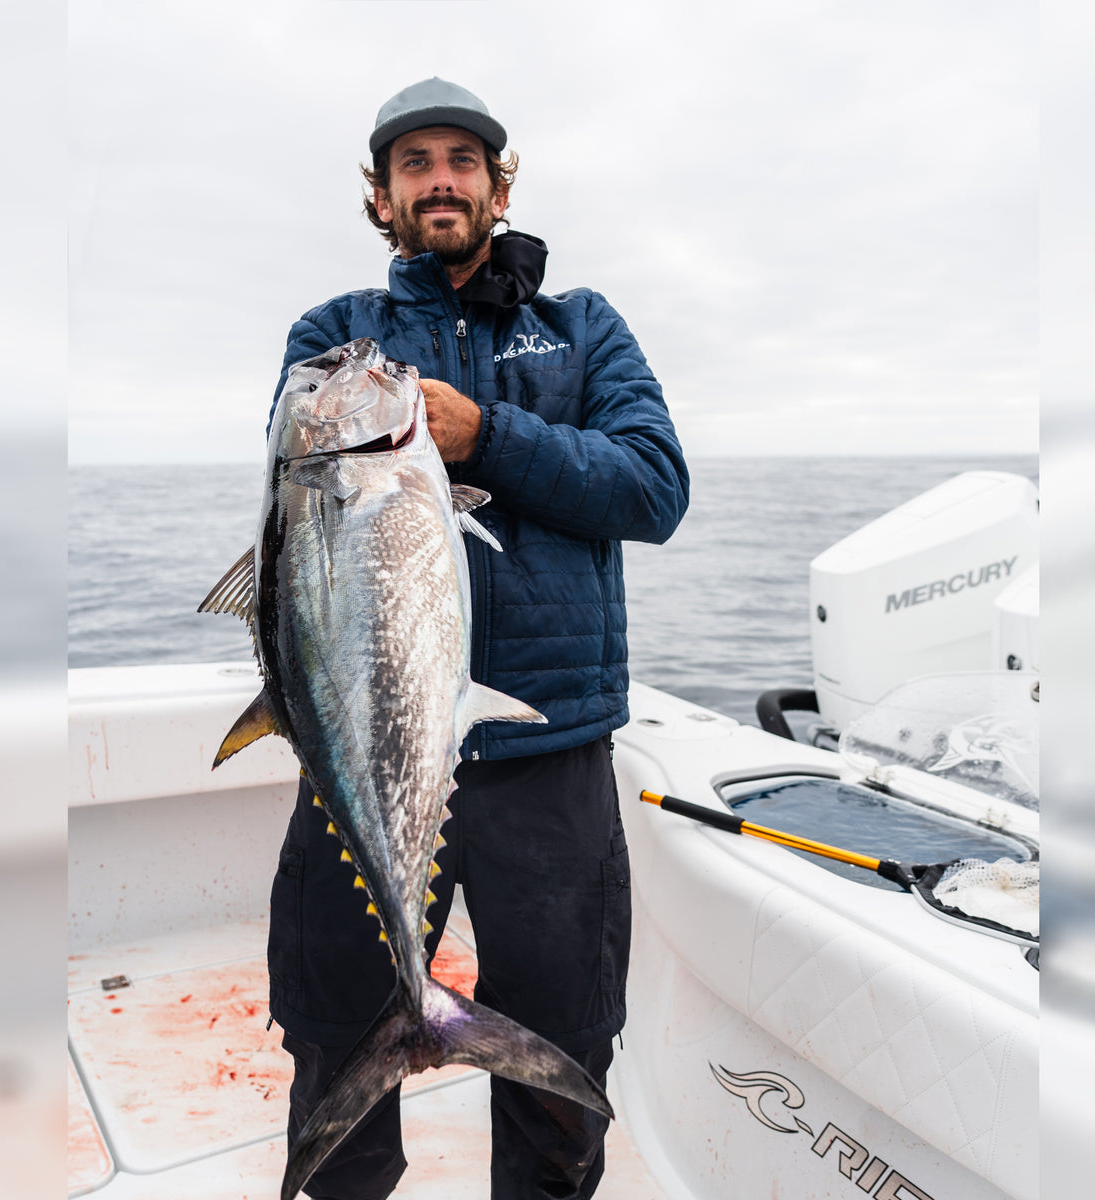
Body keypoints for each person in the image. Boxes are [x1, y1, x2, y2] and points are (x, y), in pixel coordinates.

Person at [265, 77, 689, 1200]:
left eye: (462, 160)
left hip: (547, 753)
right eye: (415, 163)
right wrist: (401, 442)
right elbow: (296, 516)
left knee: (560, 1055)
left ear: (500, 187)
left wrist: (487, 434)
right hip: (366, 749)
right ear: (382, 196)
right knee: (332, 1031)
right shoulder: (330, 339)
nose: (440, 179)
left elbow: (654, 490)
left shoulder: (582, 328)